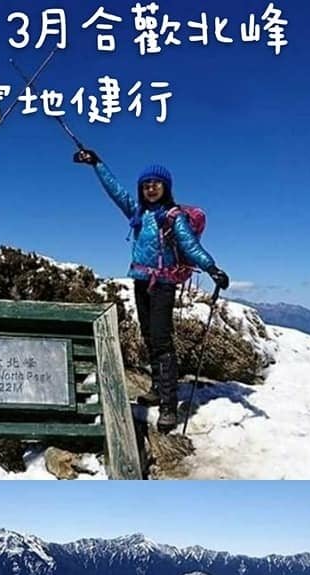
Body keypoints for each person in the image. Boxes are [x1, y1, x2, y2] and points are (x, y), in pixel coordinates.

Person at [73, 149, 230, 433]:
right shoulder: (138, 213)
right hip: (141, 280)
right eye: (146, 185)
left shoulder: (173, 217)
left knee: (161, 339)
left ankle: (169, 405)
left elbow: (189, 245)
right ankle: (158, 388)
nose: (150, 188)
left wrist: (212, 268)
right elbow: (115, 191)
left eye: (156, 184)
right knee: (147, 335)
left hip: (163, 284)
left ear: (166, 187)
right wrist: (96, 164)